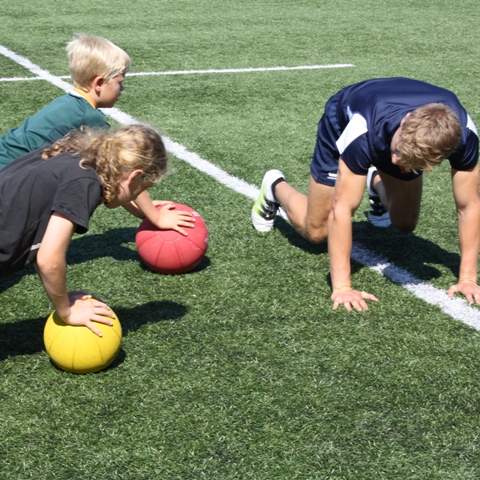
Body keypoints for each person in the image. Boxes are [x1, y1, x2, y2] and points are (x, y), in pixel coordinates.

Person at [251, 77, 480, 311]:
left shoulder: (464, 136)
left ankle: (375, 182)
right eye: (398, 151)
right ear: (406, 120)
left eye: (404, 159)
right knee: (318, 231)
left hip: (395, 135)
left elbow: (469, 205)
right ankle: (275, 186)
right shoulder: (362, 132)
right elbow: (342, 210)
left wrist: (468, 279)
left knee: (404, 223)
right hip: (346, 119)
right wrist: (342, 287)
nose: (393, 161)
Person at [0, 33, 194, 236]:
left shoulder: (68, 103)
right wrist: (155, 216)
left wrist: (138, 207)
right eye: (120, 81)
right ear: (99, 83)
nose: (123, 88)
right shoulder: (90, 119)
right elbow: (120, 172)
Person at [0, 124, 168, 336]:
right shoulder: (83, 183)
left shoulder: (74, 152)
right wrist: (67, 311)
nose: (138, 196)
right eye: (142, 189)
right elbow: (49, 259)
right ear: (134, 176)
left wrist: (151, 215)